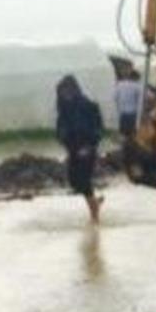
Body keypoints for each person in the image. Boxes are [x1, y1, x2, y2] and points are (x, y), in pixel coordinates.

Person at [55, 75, 105, 223]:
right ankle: (95, 203)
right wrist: (62, 138)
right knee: (73, 181)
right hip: (73, 149)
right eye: (62, 92)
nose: (65, 95)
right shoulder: (63, 109)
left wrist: (90, 146)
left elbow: (98, 129)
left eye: (67, 91)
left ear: (74, 90)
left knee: (83, 180)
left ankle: (94, 213)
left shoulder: (88, 106)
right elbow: (59, 129)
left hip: (87, 148)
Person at [113, 70, 142, 138]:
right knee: (131, 132)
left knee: (123, 132)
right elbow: (140, 99)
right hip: (132, 112)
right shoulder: (137, 86)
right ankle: (130, 140)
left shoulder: (120, 84)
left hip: (122, 112)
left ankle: (124, 141)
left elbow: (114, 97)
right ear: (135, 77)